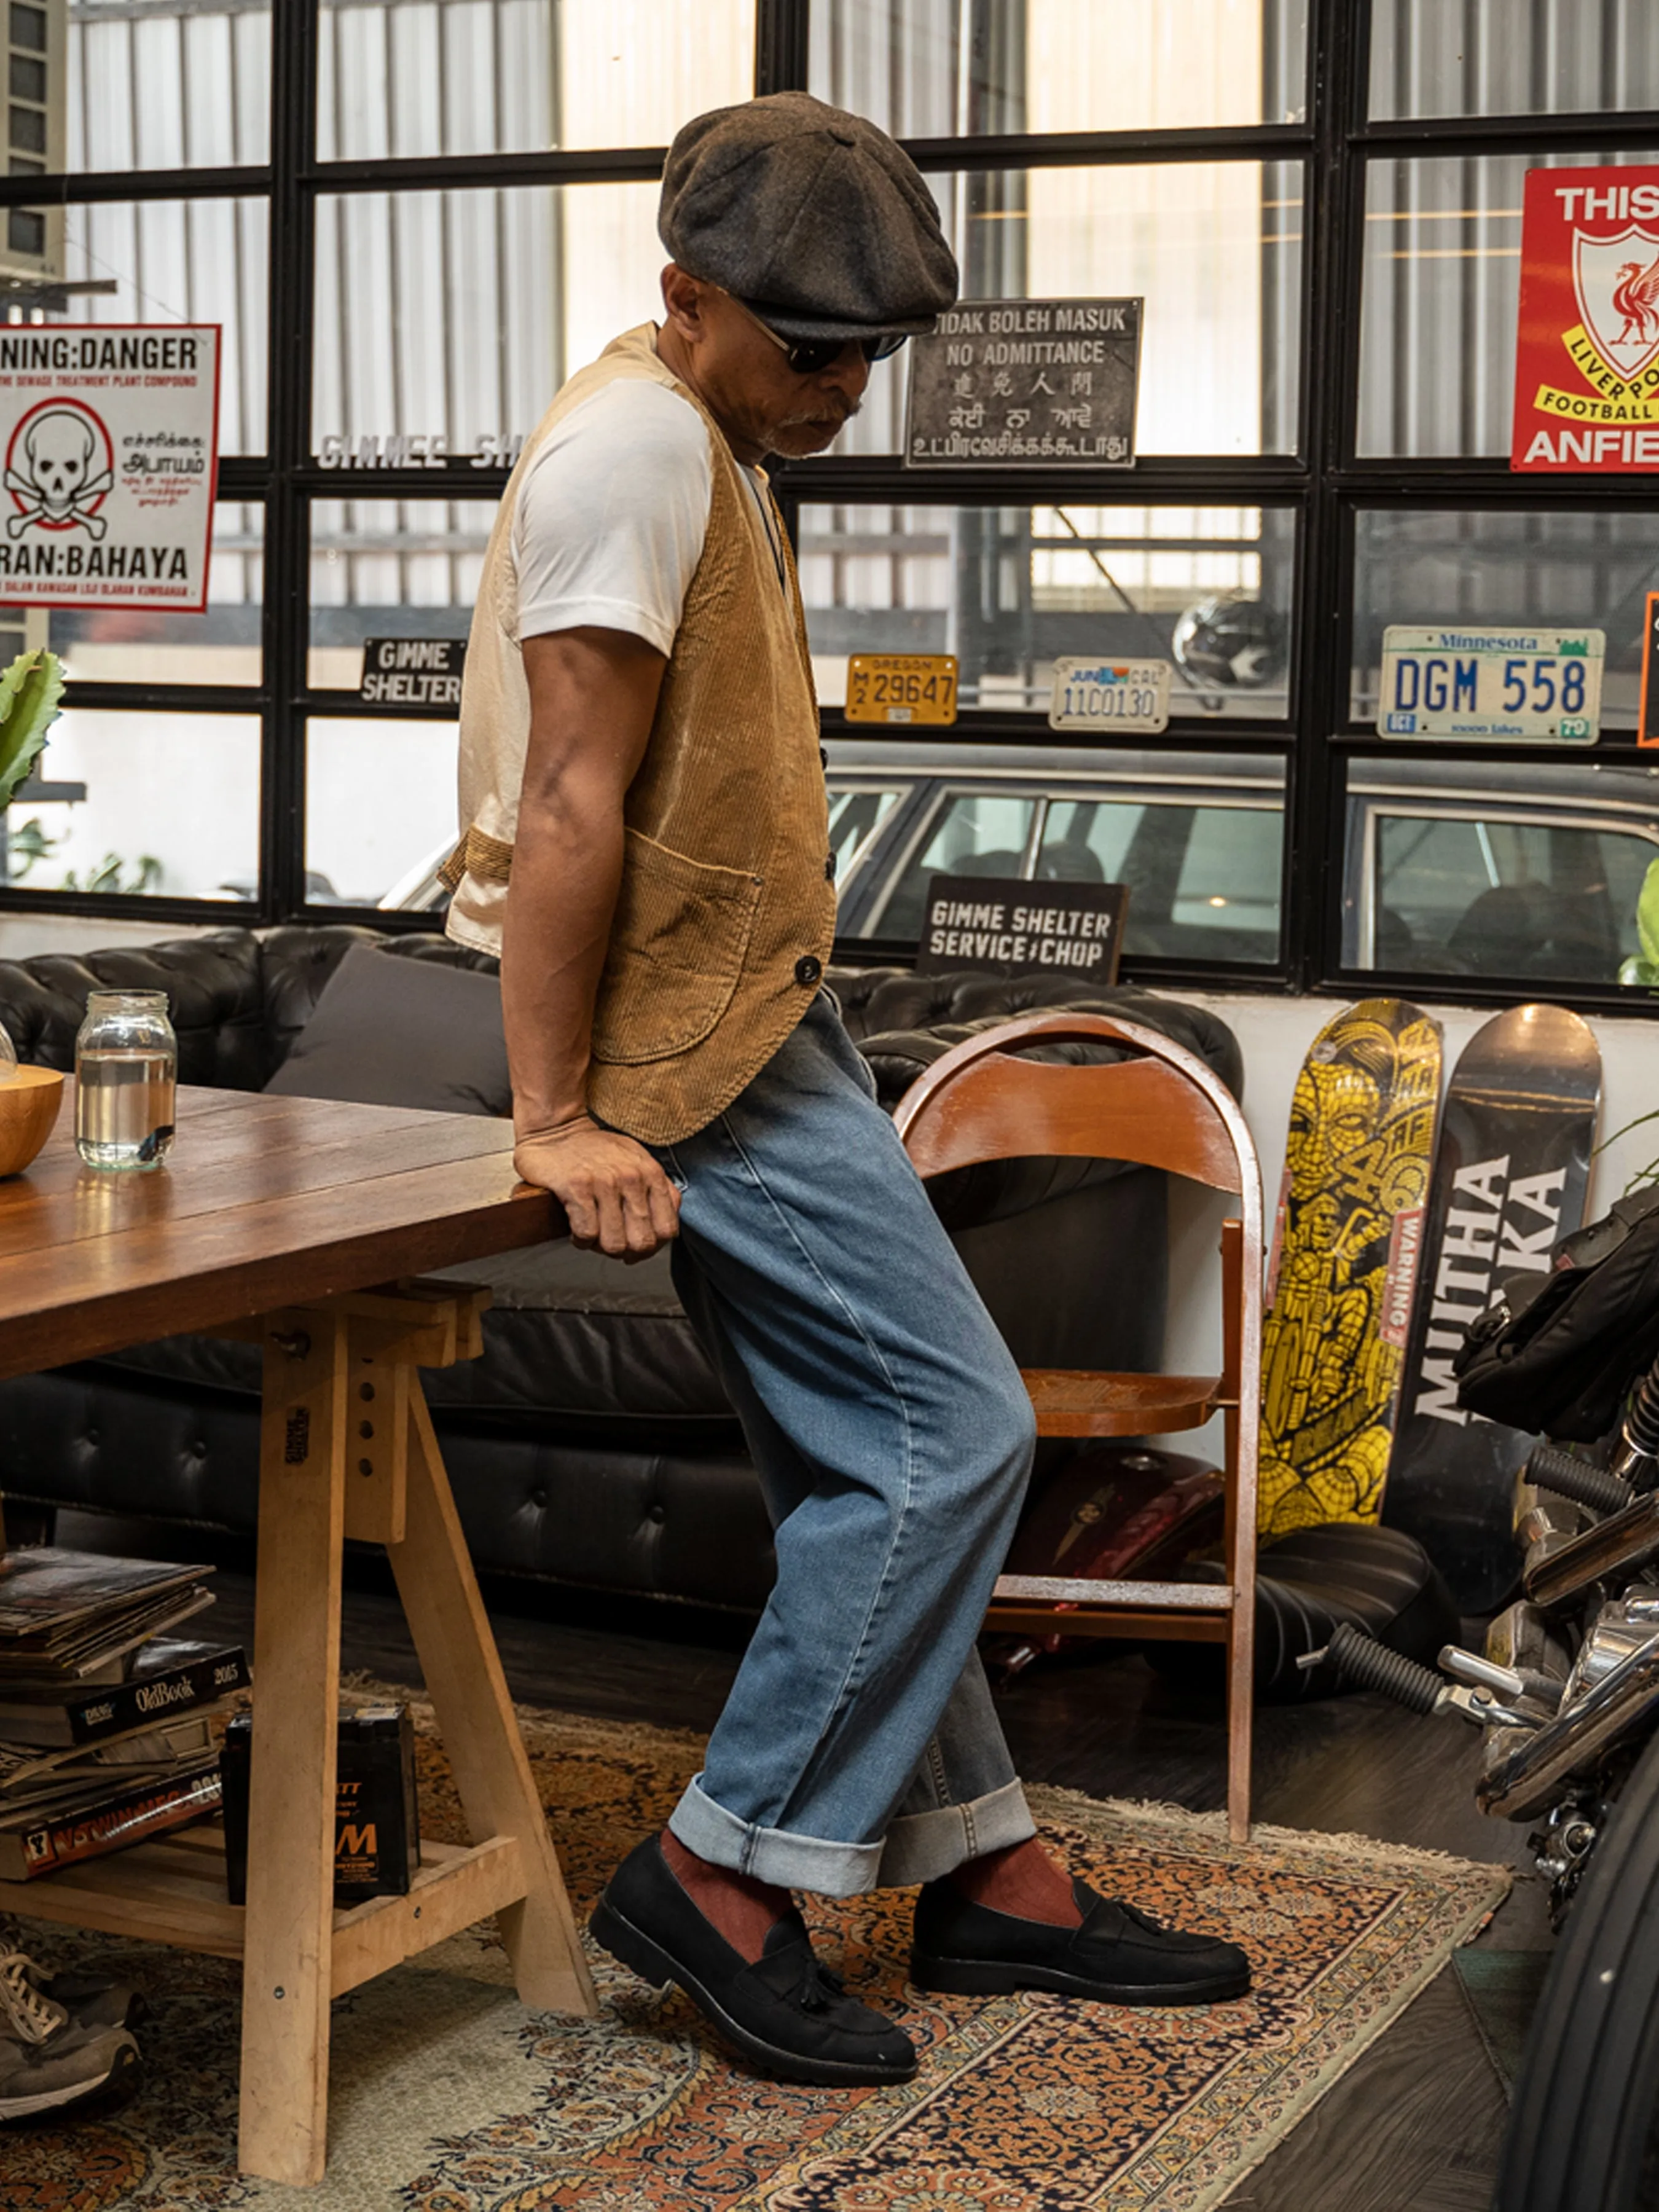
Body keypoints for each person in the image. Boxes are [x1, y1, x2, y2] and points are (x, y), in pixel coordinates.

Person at [446, 90, 1250, 2087]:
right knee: (952, 1438)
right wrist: (552, 1115)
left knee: (859, 1462)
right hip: (689, 1054)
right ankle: (720, 1879)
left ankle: (987, 1874)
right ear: (685, 301)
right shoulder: (634, 446)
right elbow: (565, 801)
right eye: (812, 349)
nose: (844, 388)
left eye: (871, 353)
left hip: (753, 1009)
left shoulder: (697, 430)